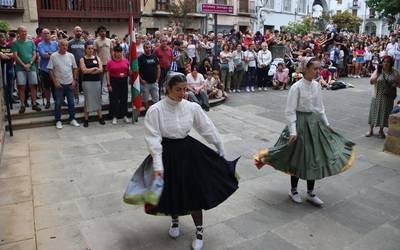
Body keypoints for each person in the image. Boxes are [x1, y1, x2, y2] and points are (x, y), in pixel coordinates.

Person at [141, 72, 238, 250]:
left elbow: (206, 126)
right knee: (172, 190)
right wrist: (157, 164)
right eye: (178, 89)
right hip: (167, 153)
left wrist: (219, 145)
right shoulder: (155, 110)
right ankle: (175, 221)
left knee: (194, 191)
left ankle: (199, 231)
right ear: (167, 89)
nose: (182, 93)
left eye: (185, 89)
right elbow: (153, 138)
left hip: (188, 152)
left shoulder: (191, 107)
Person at [254, 57, 355, 206]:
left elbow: (319, 108)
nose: (317, 71)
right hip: (300, 124)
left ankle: (310, 192)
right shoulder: (296, 87)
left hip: (313, 124)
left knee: (314, 157)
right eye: (314, 68)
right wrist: (293, 131)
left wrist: (326, 124)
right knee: (297, 158)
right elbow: (290, 111)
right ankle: (293, 190)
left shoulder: (316, 85)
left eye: (318, 68)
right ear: (305, 69)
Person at [47, 39, 80, 129]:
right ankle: (58, 120)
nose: (65, 47)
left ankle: (72, 119)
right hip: (59, 84)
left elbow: (75, 68)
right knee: (58, 103)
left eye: (66, 45)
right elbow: (50, 70)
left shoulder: (71, 55)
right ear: (59, 46)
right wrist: (55, 81)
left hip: (70, 83)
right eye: (63, 45)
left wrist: (74, 80)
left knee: (71, 103)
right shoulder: (53, 56)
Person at [367, 55, 400, 138]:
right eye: (384, 62)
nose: (386, 63)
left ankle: (381, 131)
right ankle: (370, 130)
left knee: (385, 113)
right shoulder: (378, 71)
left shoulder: (395, 72)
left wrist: (396, 84)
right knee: (374, 112)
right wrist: (378, 74)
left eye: (388, 62)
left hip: (388, 96)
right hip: (377, 95)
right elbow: (371, 82)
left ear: (391, 63)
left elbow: (399, 84)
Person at [12, 25, 41, 113]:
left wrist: (30, 64)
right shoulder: (15, 43)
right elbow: (15, 56)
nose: (24, 33)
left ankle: (34, 104)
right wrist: (24, 65)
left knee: (33, 86)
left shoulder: (31, 42)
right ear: (18, 33)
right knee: (22, 87)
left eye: (25, 31)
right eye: (22, 31)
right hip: (20, 68)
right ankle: (22, 105)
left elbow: (34, 54)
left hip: (31, 67)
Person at [80, 41, 104, 127]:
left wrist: (90, 71)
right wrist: (94, 68)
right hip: (87, 83)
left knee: (97, 99)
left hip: (96, 82)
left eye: (92, 48)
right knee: (87, 100)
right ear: (85, 49)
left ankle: (100, 117)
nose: (91, 50)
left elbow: (101, 70)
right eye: (89, 48)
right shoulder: (82, 59)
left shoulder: (97, 58)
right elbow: (84, 70)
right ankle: (86, 119)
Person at [106, 45, 130, 125]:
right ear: (114, 52)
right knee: (114, 99)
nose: (118, 53)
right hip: (114, 81)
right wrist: (108, 84)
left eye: (120, 52)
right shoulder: (110, 62)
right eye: (117, 52)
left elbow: (129, 71)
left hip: (123, 81)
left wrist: (131, 72)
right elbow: (107, 73)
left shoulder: (126, 60)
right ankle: (114, 116)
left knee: (124, 99)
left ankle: (124, 115)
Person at [38, 28, 59, 109]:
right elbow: (43, 55)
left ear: (50, 34)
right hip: (45, 69)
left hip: (55, 69)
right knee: (47, 87)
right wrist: (53, 54)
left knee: (56, 86)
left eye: (48, 33)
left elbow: (58, 53)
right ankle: (48, 102)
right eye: (44, 33)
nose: (46, 35)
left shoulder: (55, 43)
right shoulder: (40, 44)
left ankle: (57, 101)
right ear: (42, 35)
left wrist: (50, 54)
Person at [139, 41, 160, 110]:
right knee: (145, 100)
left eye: (149, 47)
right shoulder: (140, 58)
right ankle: (148, 112)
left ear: (151, 48)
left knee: (156, 100)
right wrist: (141, 80)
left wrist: (157, 79)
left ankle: (154, 112)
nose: (148, 49)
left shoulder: (154, 57)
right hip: (145, 83)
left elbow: (158, 68)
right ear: (144, 48)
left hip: (154, 82)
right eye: (146, 48)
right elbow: (136, 71)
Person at [68, 26, 86, 103]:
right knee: (76, 82)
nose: (79, 32)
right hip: (74, 66)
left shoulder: (84, 42)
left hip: (83, 65)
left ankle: (86, 98)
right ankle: (76, 98)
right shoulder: (70, 43)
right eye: (77, 31)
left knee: (85, 81)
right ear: (74, 32)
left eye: (80, 31)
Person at [94, 26, 113, 93]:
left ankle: (111, 93)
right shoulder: (96, 41)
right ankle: (100, 94)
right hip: (100, 63)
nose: (103, 33)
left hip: (109, 63)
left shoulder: (109, 40)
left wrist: (113, 60)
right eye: (101, 31)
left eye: (104, 31)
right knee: (100, 79)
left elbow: (111, 51)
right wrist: (96, 62)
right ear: (99, 33)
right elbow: (94, 53)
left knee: (110, 79)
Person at [0, 32, 15, 109]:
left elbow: (13, 55)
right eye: (2, 37)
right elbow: (2, 57)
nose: (4, 38)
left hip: (10, 67)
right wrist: (8, 55)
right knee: (4, 85)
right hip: (2, 69)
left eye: (5, 37)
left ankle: (11, 98)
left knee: (11, 84)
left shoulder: (9, 45)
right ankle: (6, 100)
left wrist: (5, 55)